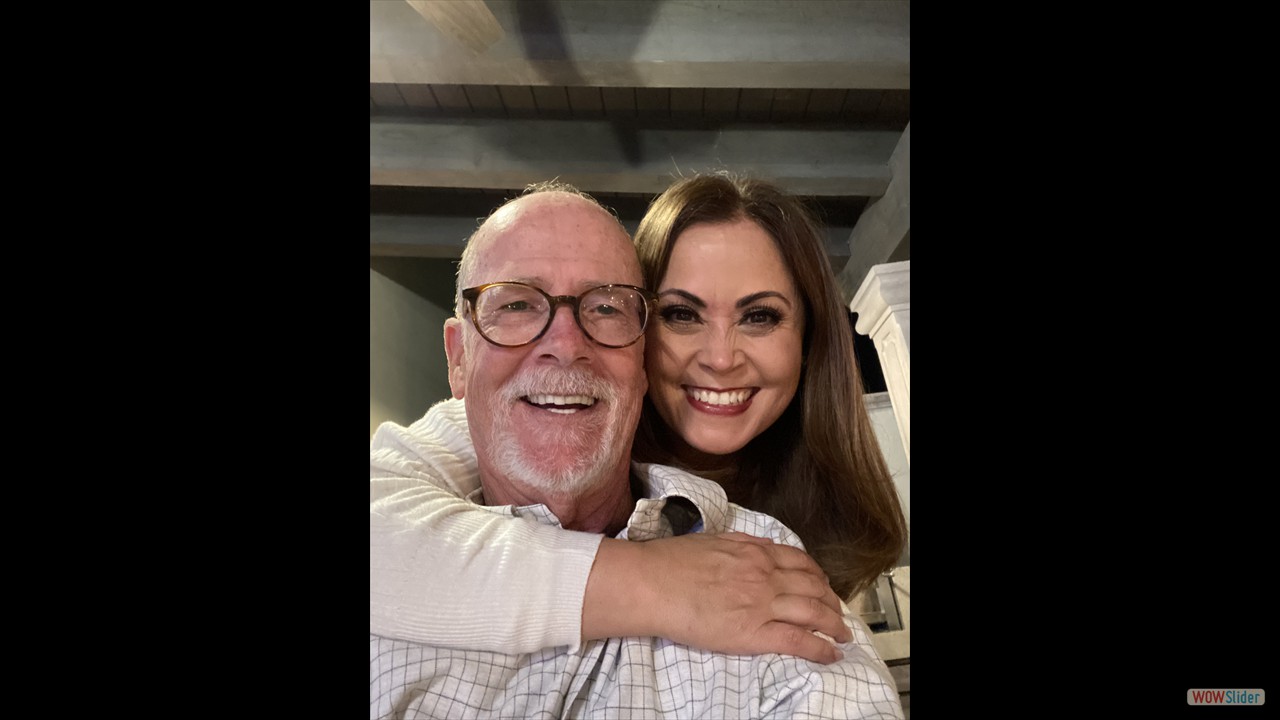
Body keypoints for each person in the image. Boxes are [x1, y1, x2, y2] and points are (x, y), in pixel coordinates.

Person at [369, 184, 903, 719]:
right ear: (458, 359)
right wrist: (651, 580)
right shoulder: (470, 439)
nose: (721, 359)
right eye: (682, 314)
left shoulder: (781, 533)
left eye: (760, 316)